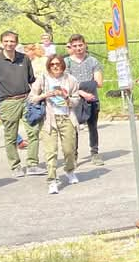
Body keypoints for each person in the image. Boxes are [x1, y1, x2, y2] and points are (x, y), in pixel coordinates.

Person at [0, 30, 41, 177]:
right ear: (2, 43)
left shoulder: (24, 58)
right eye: (6, 41)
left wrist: (36, 96)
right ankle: (15, 166)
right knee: (11, 136)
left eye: (12, 41)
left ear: (16, 43)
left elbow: (31, 80)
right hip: (8, 102)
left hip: (26, 99)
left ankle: (33, 164)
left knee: (33, 133)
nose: (9, 44)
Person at [28, 53, 81, 194]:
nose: (55, 66)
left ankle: (70, 170)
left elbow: (77, 100)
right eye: (52, 64)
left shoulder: (70, 79)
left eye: (58, 64)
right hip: (49, 120)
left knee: (69, 150)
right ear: (48, 66)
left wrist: (67, 98)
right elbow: (32, 98)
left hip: (67, 117)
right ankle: (52, 180)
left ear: (63, 65)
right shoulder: (43, 79)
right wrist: (45, 95)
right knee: (50, 152)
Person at [65, 34, 104, 166]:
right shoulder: (67, 63)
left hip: (92, 98)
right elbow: (66, 84)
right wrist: (81, 90)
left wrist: (79, 85)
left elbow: (98, 82)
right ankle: (73, 156)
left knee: (92, 126)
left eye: (80, 45)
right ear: (71, 47)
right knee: (74, 128)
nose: (78, 48)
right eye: (75, 46)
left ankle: (95, 153)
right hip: (75, 99)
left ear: (85, 44)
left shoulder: (93, 61)